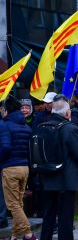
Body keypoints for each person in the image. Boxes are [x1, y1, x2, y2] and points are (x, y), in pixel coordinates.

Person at [39, 98, 78, 240]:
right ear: (67, 113)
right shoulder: (70, 128)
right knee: (65, 217)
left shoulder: (42, 127)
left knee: (49, 215)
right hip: (66, 179)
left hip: (47, 177)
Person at [0, 95, 36, 239]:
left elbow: (6, 147)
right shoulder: (25, 126)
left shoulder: (4, 125)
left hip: (10, 168)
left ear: (7, 110)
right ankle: (14, 236)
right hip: (24, 168)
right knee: (18, 203)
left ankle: (28, 234)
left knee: (13, 205)